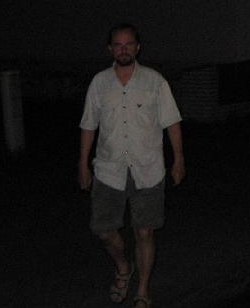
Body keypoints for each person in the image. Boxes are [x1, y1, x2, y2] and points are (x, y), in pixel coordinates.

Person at [78, 23, 185, 308]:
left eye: (128, 44)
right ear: (110, 49)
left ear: (138, 47)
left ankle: (143, 290)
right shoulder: (99, 83)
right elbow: (88, 124)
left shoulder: (155, 81)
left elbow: (172, 122)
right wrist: (82, 163)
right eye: (118, 44)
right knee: (104, 231)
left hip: (148, 168)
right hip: (108, 170)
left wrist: (179, 159)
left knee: (145, 231)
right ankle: (124, 266)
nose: (123, 49)